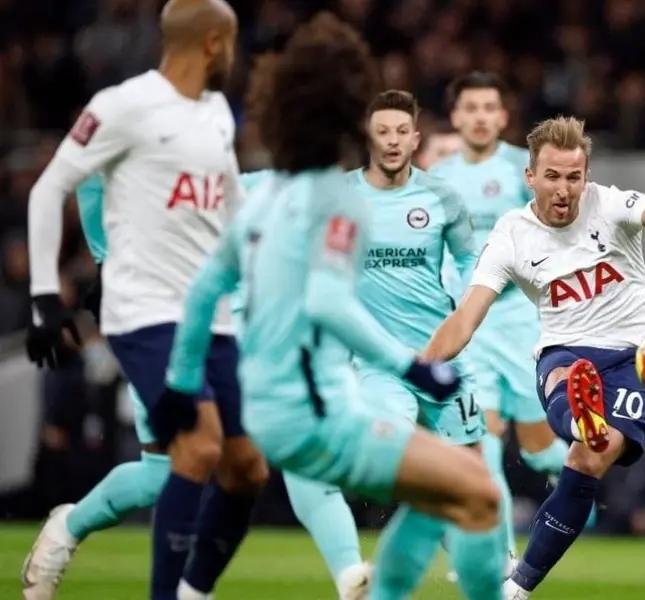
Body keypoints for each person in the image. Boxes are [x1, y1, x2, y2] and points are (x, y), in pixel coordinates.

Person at [156, 13, 501, 600]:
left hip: (264, 411)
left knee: (446, 487)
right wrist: (413, 367)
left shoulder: (265, 199)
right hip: (318, 412)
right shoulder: (337, 202)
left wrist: (179, 387)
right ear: (351, 117)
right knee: (482, 491)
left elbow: (204, 292)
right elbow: (328, 301)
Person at [23, 1, 270, 597]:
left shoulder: (215, 113)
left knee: (245, 468)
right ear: (214, 42)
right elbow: (50, 186)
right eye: (232, 45)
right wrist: (44, 298)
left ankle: (188, 590)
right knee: (197, 445)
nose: (234, 57)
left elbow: (228, 206)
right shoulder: (122, 106)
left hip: (210, 313)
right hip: (144, 311)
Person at [423, 115, 645, 599]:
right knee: (572, 393)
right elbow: (465, 319)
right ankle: (581, 420)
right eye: (553, 177)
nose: (564, 190)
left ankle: (517, 588)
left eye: (574, 177)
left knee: (589, 457)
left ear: (586, 176)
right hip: (564, 352)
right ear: (531, 176)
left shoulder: (610, 205)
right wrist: (416, 370)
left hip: (637, 359)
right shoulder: (511, 235)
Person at [59, 173, 372, 599]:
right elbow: (89, 177)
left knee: (297, 457)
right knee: (163, 473)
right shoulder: (154, 185)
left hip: (240, 344)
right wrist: (101, 260)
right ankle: (69, 528)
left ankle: (349, 575)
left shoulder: (261, 184)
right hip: (162, 336)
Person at [349, 88, 506, 599]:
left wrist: (466, 307)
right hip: (378, 363)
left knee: (472, 473)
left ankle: (496, 575)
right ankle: (388, 577)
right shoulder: (343, 198)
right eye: (382, 132)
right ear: (368, 138)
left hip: (439, 358)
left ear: (416, 139)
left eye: (401, 132)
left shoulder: (442, 198)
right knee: (406, 462)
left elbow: (469, 262)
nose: (392, 141)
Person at [429, 71, 570, 559]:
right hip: (470, 326)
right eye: (471, 108)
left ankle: (574, 466)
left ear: (504, 116)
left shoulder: (523, 170)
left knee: (536, 447)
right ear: (456, 116)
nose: (481, 117)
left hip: (523, 323)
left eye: (490, 107)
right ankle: (501, 559)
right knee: (483, 444)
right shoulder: (438, 175)